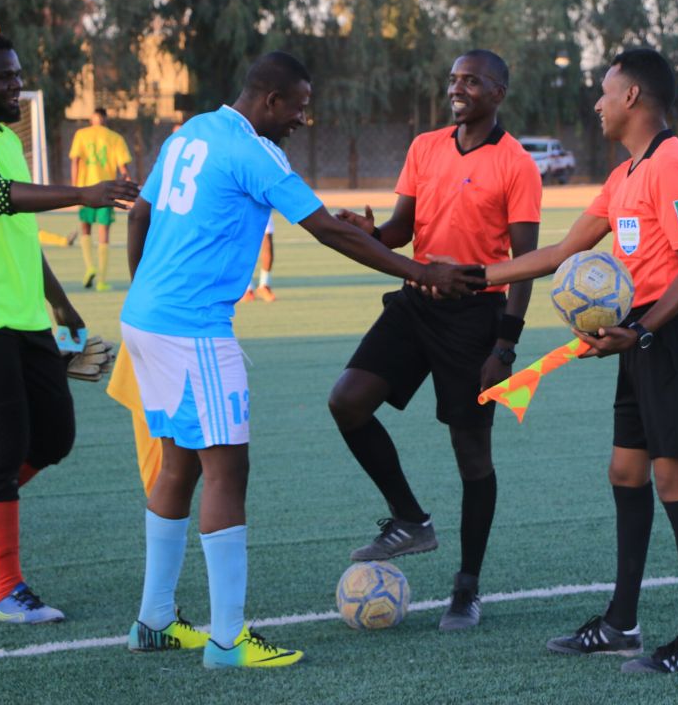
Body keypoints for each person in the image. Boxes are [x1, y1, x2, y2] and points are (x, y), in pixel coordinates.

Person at [121, 50, 484, 669]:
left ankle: (154, 620)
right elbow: (330, 231)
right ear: (269, 101)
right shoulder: (254, 151)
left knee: (178, 464)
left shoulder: (190, 134)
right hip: (194, 331)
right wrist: (422, 273)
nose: (301, 120)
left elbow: (143, 214)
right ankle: (229, 640)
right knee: (227, 471)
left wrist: (147, 294)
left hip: (145, 320)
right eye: (298, 107)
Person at [483, 48, 678, 674]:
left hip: (670, 337)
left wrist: (639, 332)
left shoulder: (674, 167)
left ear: (633, 98)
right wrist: (472, 276)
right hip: (638, 336)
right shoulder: (625, 176)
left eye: (606, 92)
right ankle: (622, 623)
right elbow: (562, 251)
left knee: (674, 481)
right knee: (625, 472)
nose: (598, 103)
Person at [0, 29, 138, 624]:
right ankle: (7, 591)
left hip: (24, 314)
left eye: (17, 74)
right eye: (3, 76)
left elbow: (17, 228)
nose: (16, 84)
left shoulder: (4, 138)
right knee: (5, 443)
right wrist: (84, 193)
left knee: (54, 437)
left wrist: (62, 305)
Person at [328, 49, 541, 631]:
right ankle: (409, 518)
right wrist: (371, 232)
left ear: (497, 92)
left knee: (472, 457)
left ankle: (466, 588)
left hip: (476, 316)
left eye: (471, 80)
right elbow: (401, 231)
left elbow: (524, 265)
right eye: (453, 79)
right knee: (347, 400)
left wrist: (506, 346)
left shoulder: (517, 164)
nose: (458, 88)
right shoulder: (424, 147)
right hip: (418, 299)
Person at [70, 107, 132, 291]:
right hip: (107, 191)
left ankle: (90, 266)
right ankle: (102, 281)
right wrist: (128, 186)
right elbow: (123, 170)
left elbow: (75, 160)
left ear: (92, 119)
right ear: (105, 119)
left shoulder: (81, 134)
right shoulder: (115, 138)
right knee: (104, 233)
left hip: (85, 189)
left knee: (85, 228)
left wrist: (74, 187)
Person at [239, 215, 276, 302]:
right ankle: (247, 288)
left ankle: (264, 285)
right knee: (243, 244)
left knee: (267, 242)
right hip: (242, 208)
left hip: (263, 207)